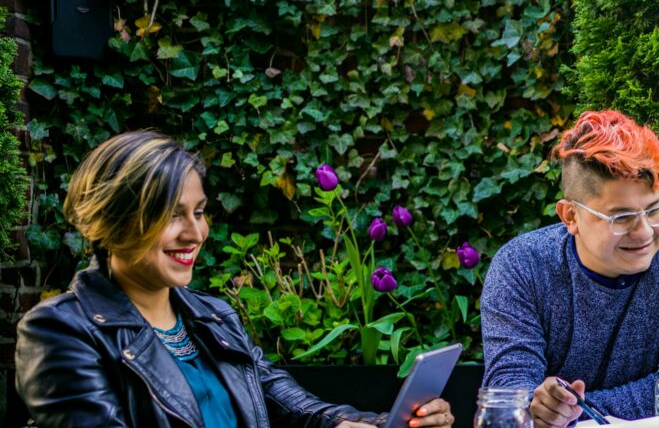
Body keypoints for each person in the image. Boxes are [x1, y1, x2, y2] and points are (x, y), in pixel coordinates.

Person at [16, 130, 454, 428]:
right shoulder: (61, 331)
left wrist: (390, 421)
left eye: (200, 212)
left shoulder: (213, 318)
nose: (195, 233)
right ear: (114, 221)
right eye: (173, 215)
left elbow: (296, 409)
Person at [481, 110, 659, 427]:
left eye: (655, 210)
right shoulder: (521, 267)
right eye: (621, 217)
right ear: (570, 216)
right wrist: (535, 406)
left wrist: (565, 415)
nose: (644, 232)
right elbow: (509, 393)